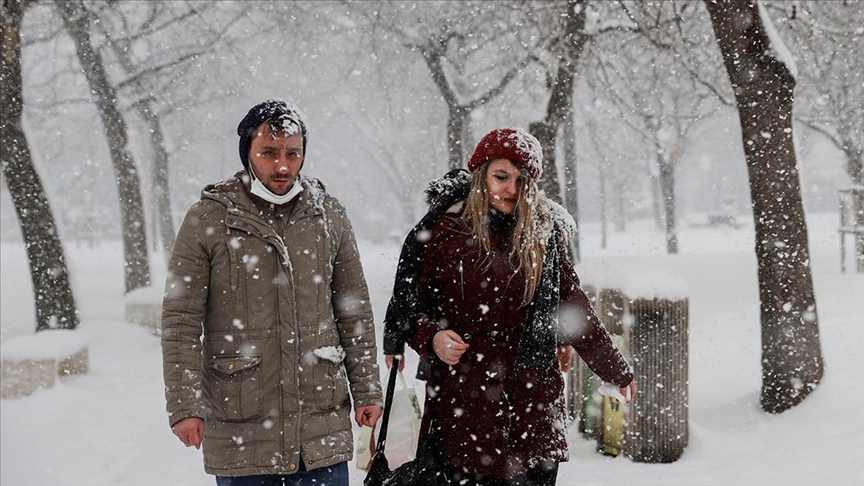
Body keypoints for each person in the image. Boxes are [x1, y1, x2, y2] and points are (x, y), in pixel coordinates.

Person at [382, 128, 637, 486]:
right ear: (481, 174)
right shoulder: (445, 232)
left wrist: (614, 369)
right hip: (465, 408)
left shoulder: (544, 235)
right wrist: (432, 338)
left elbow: (573, 306)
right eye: (501, 177)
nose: (511, 190)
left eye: (521, 180)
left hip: (533, 408)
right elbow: (407, 306)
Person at [161, 99, 383, 486]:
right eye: (269, 153)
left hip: (320, 427)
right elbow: (180, 320)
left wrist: (367, 389)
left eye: (292, 153)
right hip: (242, 427)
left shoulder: (328, 216)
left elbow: (353, 310)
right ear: (247, 152)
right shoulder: (209, 219)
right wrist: (184, 405)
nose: (282, 166)